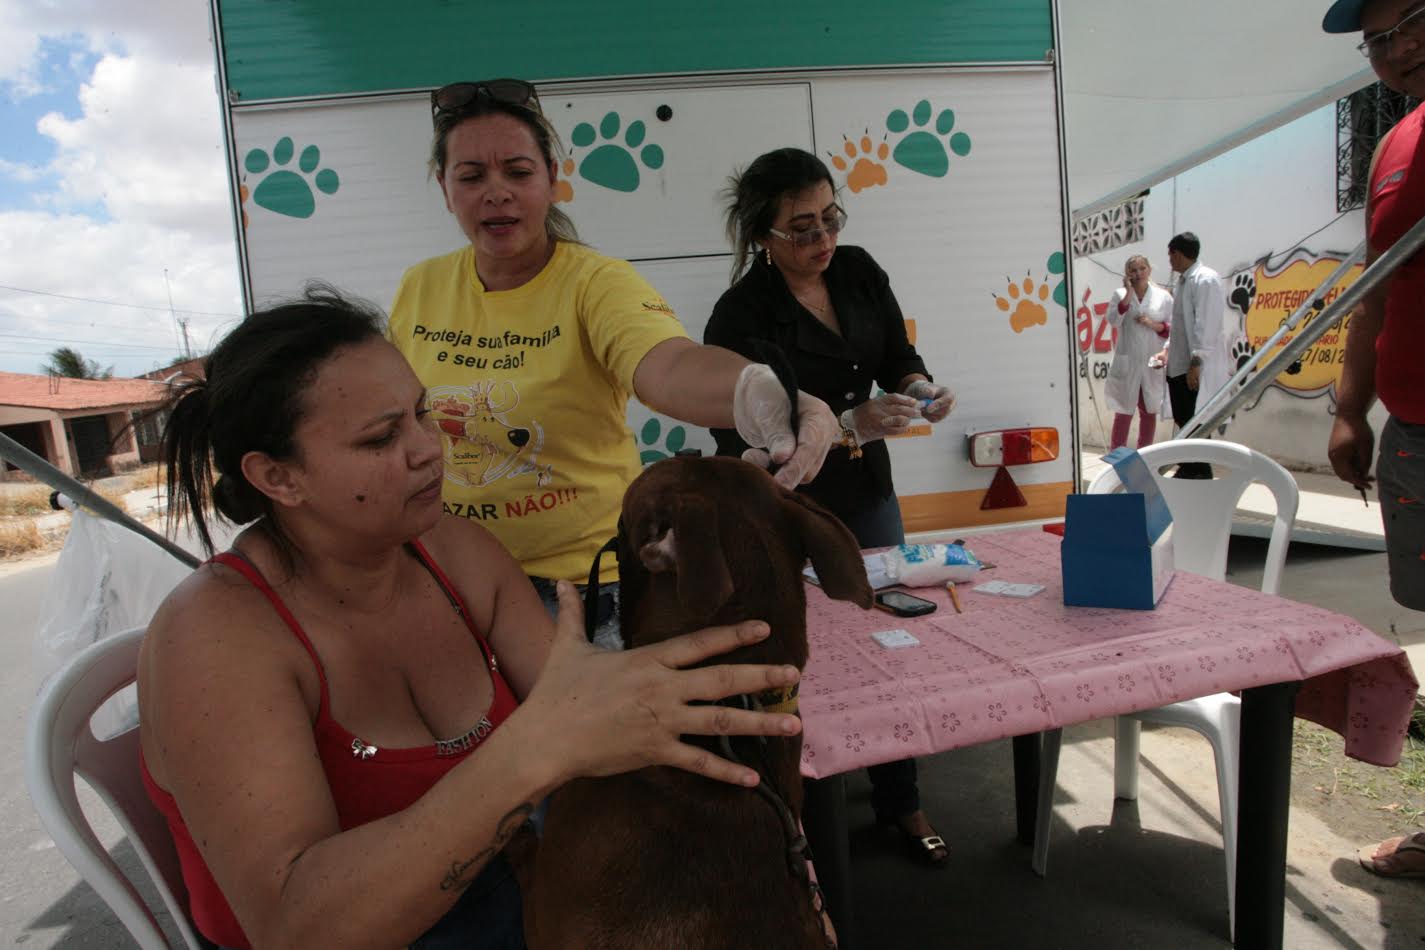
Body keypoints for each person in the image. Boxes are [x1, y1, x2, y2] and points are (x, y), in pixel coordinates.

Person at [137, 288, 809, 950]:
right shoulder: (215, 638)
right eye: (380, 438)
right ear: (279, 479)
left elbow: (585, 721)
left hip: (515, 895)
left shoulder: (451, 552)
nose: (429, 448)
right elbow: (295, 927)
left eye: (422, 413)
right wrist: (535, 752)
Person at [386, 80, 836, 649]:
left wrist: (760, 392)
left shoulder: (597, 283)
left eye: (519, 172)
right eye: (471, 175)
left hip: (580, 591)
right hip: (452, 581)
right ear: (445, 189)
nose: (495, 193)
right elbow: (392, 416)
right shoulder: (418, 288)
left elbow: (667, 367)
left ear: (553, 179)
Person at [703, 147, 956, 868]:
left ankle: (900, 800)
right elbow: (743, 438)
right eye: (801, 229)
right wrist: (849, 425)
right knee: (801, 659)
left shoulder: (856, 269)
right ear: (761, 237)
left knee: (888, 640)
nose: (822, 242)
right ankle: (803, 808)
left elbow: (896, 354)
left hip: (867, 497)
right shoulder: (739, 316)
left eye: (830, 219)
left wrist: (920, 387)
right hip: (785, 510)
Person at [1322, 0, 1425, 879]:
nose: (1397, 49)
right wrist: (1350, 406)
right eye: (1378, 37)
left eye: (1413, 19)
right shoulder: (1392, 151)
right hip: (1414, 430)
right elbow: (1377, 288)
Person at [1164, 231, 1229, 478]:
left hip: (1194, 366)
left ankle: (1199, 472)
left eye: (1170, 254)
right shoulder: (1184, 282)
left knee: (1196, 422)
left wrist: (1197, 361)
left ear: (1178, 254)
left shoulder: (1205, 279)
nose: (1169, 260)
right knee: (1184, 419)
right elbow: (1179, 325)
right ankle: (1189, 467)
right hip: (1178, 365)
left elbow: (1207, 324)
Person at [1104, 254, 1172, 450]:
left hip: (1152, 360)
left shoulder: (1163, 297)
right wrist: (1127, 294)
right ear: (1127, 274)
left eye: (1142, 268)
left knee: (1149, 410)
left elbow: (1171, 329)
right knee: (1124, 410)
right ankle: (1117, 456)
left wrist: (1152, 324)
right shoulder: (1119, 294)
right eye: (1133, 270)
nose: (1138, 273)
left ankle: (1145, 454)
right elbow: (1114, 320)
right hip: (1129, 361)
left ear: (1149, 270)